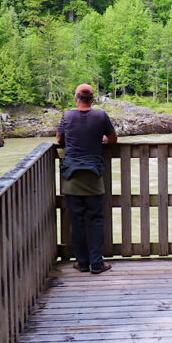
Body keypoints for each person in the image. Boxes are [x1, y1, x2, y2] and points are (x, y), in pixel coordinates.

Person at [57, 84, 117, 274]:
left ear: (76, 98)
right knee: (96, 220)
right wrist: (102, 142)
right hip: (93, 175)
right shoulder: (101, 116)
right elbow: (112, 138)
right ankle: (97, 263)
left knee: (77, 220)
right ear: (92, 99)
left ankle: (82, 262)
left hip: (72, 176)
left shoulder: (67, 116)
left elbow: (59, 140)